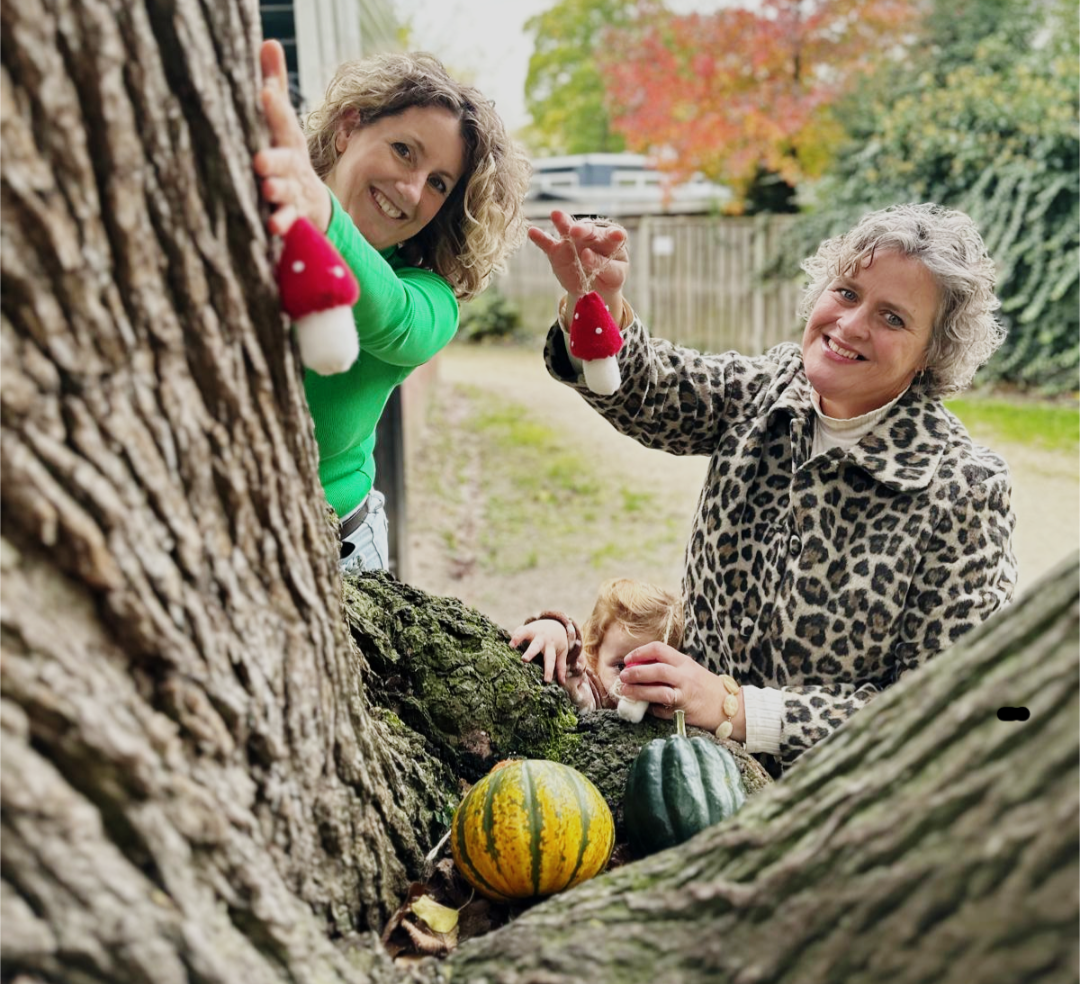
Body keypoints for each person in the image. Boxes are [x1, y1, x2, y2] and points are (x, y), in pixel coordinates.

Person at [529, 202, 1018, 776]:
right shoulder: (769, 388)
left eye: (893, 318)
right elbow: (648, 392)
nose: (851, 324)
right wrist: (598, 297)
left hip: (831, 810)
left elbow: (945, 712)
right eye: (847, 292)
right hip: (694, 772)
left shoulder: (963, 488)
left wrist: (735, 709)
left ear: (931, 354)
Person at [255, 39, 530, 572]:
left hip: (338, 555)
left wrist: (322, 215)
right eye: (404, 150)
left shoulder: (429, 299)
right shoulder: (257, 218)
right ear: (348, 127)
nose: (410, 189)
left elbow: (391, 314)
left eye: (438, 183)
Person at [509, 578, 684, 711]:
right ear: (595, 652)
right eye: (621, 666)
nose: (635, 679)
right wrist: (555, 630)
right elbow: (570, 659)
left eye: (652, 671)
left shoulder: (666, 707)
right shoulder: (594, 691)